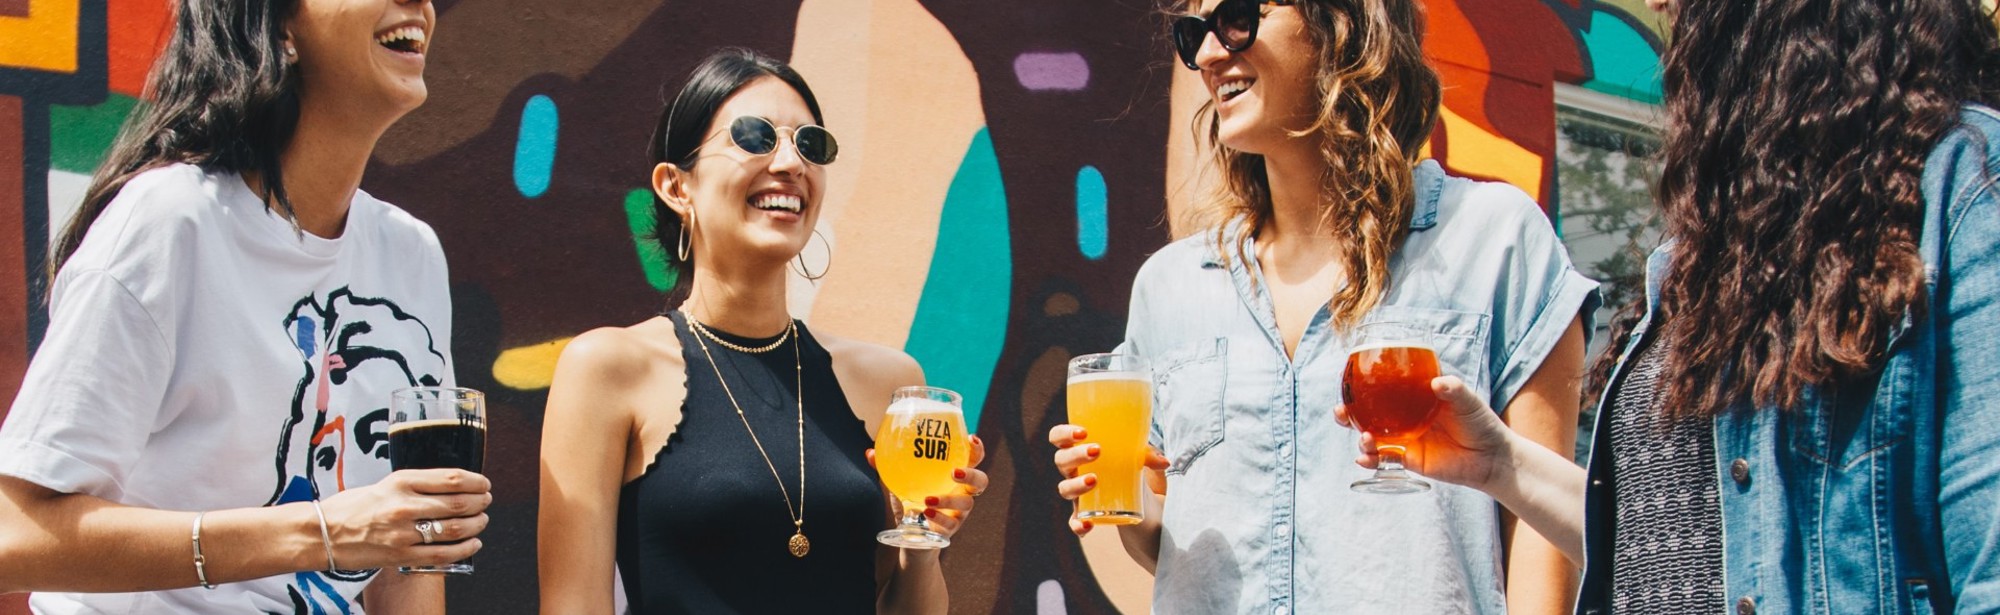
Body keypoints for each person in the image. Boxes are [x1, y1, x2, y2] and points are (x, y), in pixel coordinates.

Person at [1335, 0, 2000, 613]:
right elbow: (1666, 543)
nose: (1661, 6)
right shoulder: (1711, 250)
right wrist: (1500, 464)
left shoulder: (1962, 189)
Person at [1049, 0, 1598, 613]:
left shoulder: (1494, 241)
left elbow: (1542, 545)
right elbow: (1177, 551)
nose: (1207, 54)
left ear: (1342, 22)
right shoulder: (1169, 286)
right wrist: (1127, 495)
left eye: (1234, 18)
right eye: (1192, 33)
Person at [0, 0, 489, 612]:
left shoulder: (409, 253)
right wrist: (321, 534)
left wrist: (383, 534)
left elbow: (406, 555)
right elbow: (14, 534)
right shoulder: (170, 222)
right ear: (280, 25)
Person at [536, 48, 988, 615]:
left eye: (810, 144)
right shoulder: (608, 368)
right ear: (677, 186)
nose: (790, 163)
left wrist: (924, 541)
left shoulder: (892, 384)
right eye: (754, 136)